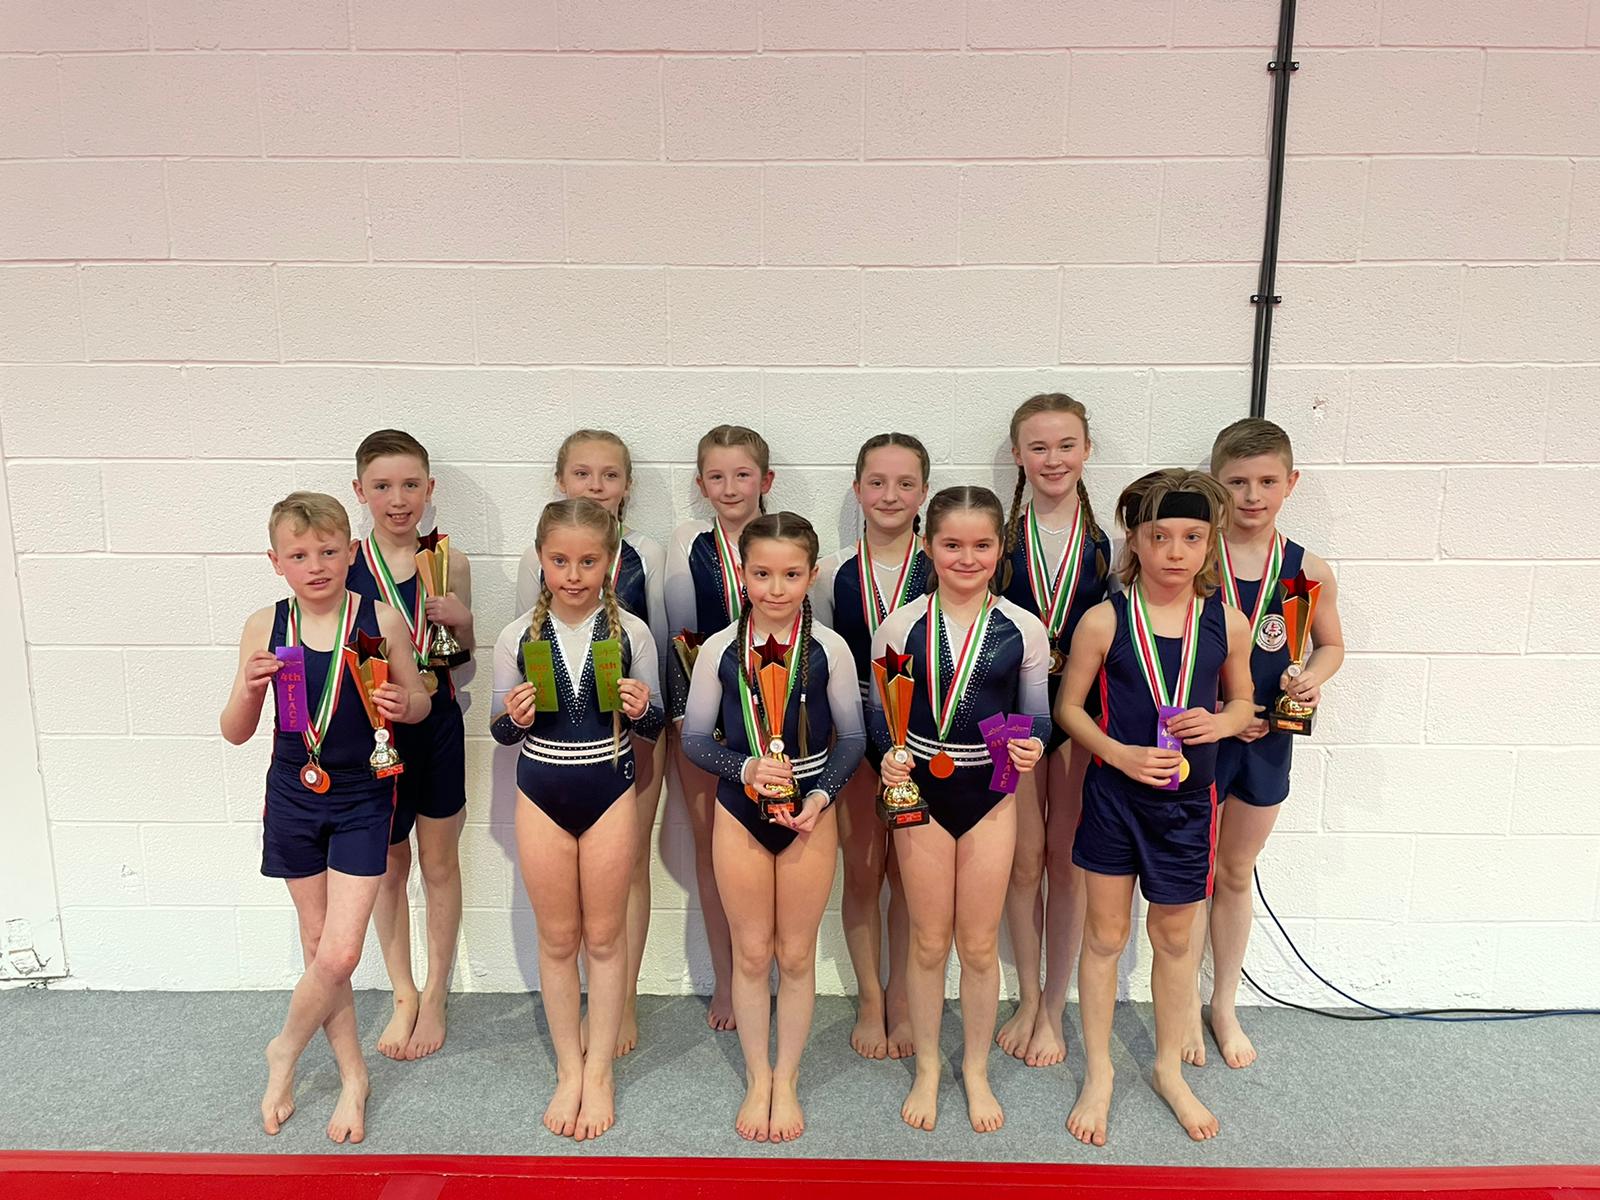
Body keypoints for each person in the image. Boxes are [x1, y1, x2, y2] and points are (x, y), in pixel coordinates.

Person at [220, 492, 431, 1144]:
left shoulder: (380, 619)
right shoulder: (265, 625)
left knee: (340, 951)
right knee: (319, 948)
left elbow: (421, 703)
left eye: (329, 552)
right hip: (293, 792)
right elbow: (234, 731)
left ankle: (284, 1046)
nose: (315, 566)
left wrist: (403, 703)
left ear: (350, 551)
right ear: (276, 561)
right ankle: (353, 1076)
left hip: (364, 794)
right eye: (299, 555)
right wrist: (249, 689)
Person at [1055, 469, 1255, 1146]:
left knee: (1173, 939)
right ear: (1135, 541)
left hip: (1188, 806)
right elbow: (1069, 709)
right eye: (1160, 536)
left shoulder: (1226, 621)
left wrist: (1222, 723)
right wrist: (1117, 753)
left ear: (1209, 543)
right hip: (1115, 799)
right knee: (1105, 936)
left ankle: (1169, 1067)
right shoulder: (1105, 619)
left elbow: (1243, 703)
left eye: (1192, 537)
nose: (1176, 551)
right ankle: (1100, 1072)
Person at [871, 487, 1050, 1135]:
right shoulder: (900, 627)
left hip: (991, 795)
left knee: (977, 944)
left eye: (981, 545)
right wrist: (887, 758)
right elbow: (879, 718)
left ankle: (974, 1068)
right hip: (921, 794)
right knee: (926, 939)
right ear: (928, 546)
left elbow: (1039, 717)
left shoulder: (1023, 628)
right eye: (951, 544)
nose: (966, 558)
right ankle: (927, 1065)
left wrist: (1033, 744)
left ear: (1001, 548)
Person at [682, 512, 865, 1142]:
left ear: (811, 575)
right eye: (762, 574)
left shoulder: (830, 648)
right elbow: (694, 739)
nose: (776, 588)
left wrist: (820, 796)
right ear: (743, 573)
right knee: (753, 952)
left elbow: (853, 738)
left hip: (810, 812)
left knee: (796, 952)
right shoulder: (718, 649)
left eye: (791, 575)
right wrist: (744, 768)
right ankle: (757, 1077)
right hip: (740, 810)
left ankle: (786, 1078)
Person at [490, 498, 665, 1141]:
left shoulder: (632, 634)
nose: (572, 574)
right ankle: (569, 1069)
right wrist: (514, 717)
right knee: (559, 939)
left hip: (610, 790)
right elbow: (499, 730)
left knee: (606, 938)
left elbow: (655, 724)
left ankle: (600, 1071)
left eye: (588, 561)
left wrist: (642, 708)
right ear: (541, 559)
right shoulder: (517, 636)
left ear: (609, 562)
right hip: (541, 792)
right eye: (559, 560)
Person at [1190, 419, 1344, 1070]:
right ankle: (1178, 1002)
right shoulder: (1193, 557)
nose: (1252, 496)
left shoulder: (1307, 569)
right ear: (1216, 485)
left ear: (1291, 483)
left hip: (1266, 741)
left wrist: (1312, 677)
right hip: (1201, 735)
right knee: (1190, 873)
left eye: (1267, 481)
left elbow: (1330, 645)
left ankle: (1223, 1003)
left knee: (1234, 871)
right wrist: (1225, 713)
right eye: (1237, 482)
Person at [517, 428, 669, 1058]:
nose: (596, 486)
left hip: (625, 731)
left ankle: (621, 999)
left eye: (610, 475)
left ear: (627, 485)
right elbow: (527, 645)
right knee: (568, 909)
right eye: (583, 474)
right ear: (561, 482)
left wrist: (647, 710)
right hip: (558, 743)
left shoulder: (646, 555)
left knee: (629, 867)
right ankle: (588, 1013)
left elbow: (661, 637)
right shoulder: (542, 559)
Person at [348, 429, 473, 1062]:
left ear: (430, 488)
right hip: (375, 732)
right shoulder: (345, 565)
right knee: (390, 866)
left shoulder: (448, 560)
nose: (398, 499)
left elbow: (462, 659)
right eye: (383, 486)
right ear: (360, 491)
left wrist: (464, 624)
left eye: (410, 485)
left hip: (439, 725)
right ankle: (403, 992)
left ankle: (437, 992)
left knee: (440, 863)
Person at [995, 394, 1111, 1068]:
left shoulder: (1108, 546)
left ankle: (1055, 1005)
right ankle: (1028, 997)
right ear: (1018, 455)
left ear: (1087, 450)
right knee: (1022, 860)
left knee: (1066, 862)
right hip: (1011, 718)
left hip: (1078, 714)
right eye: (1038, 447)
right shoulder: (1000, 542)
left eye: (1066, 445)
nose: (1053, 459)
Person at [809, 433, 931, 1060]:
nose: (890, 495)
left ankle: (903, 997)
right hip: (854, 729)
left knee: (909, 874)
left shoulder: (944, 561)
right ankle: (869, 997)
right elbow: (822, 659)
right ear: (857, 489)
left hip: (928, 734)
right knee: (862, 870)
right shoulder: (833, 570)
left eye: (905, 483)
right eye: (877, 483)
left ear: (924, 492)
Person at [663, 424, 775, 1031]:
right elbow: (677, 638)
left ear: (765, 480)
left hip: (779, 722)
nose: (730, 487)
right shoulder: (688, 545)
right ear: (701, 483)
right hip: (709, 719)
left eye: (742, 475)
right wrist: (688, 719)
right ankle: (729, 978)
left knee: (775, 845)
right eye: (717, 476)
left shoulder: (784, 539)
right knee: (714, 849)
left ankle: (774, 969)